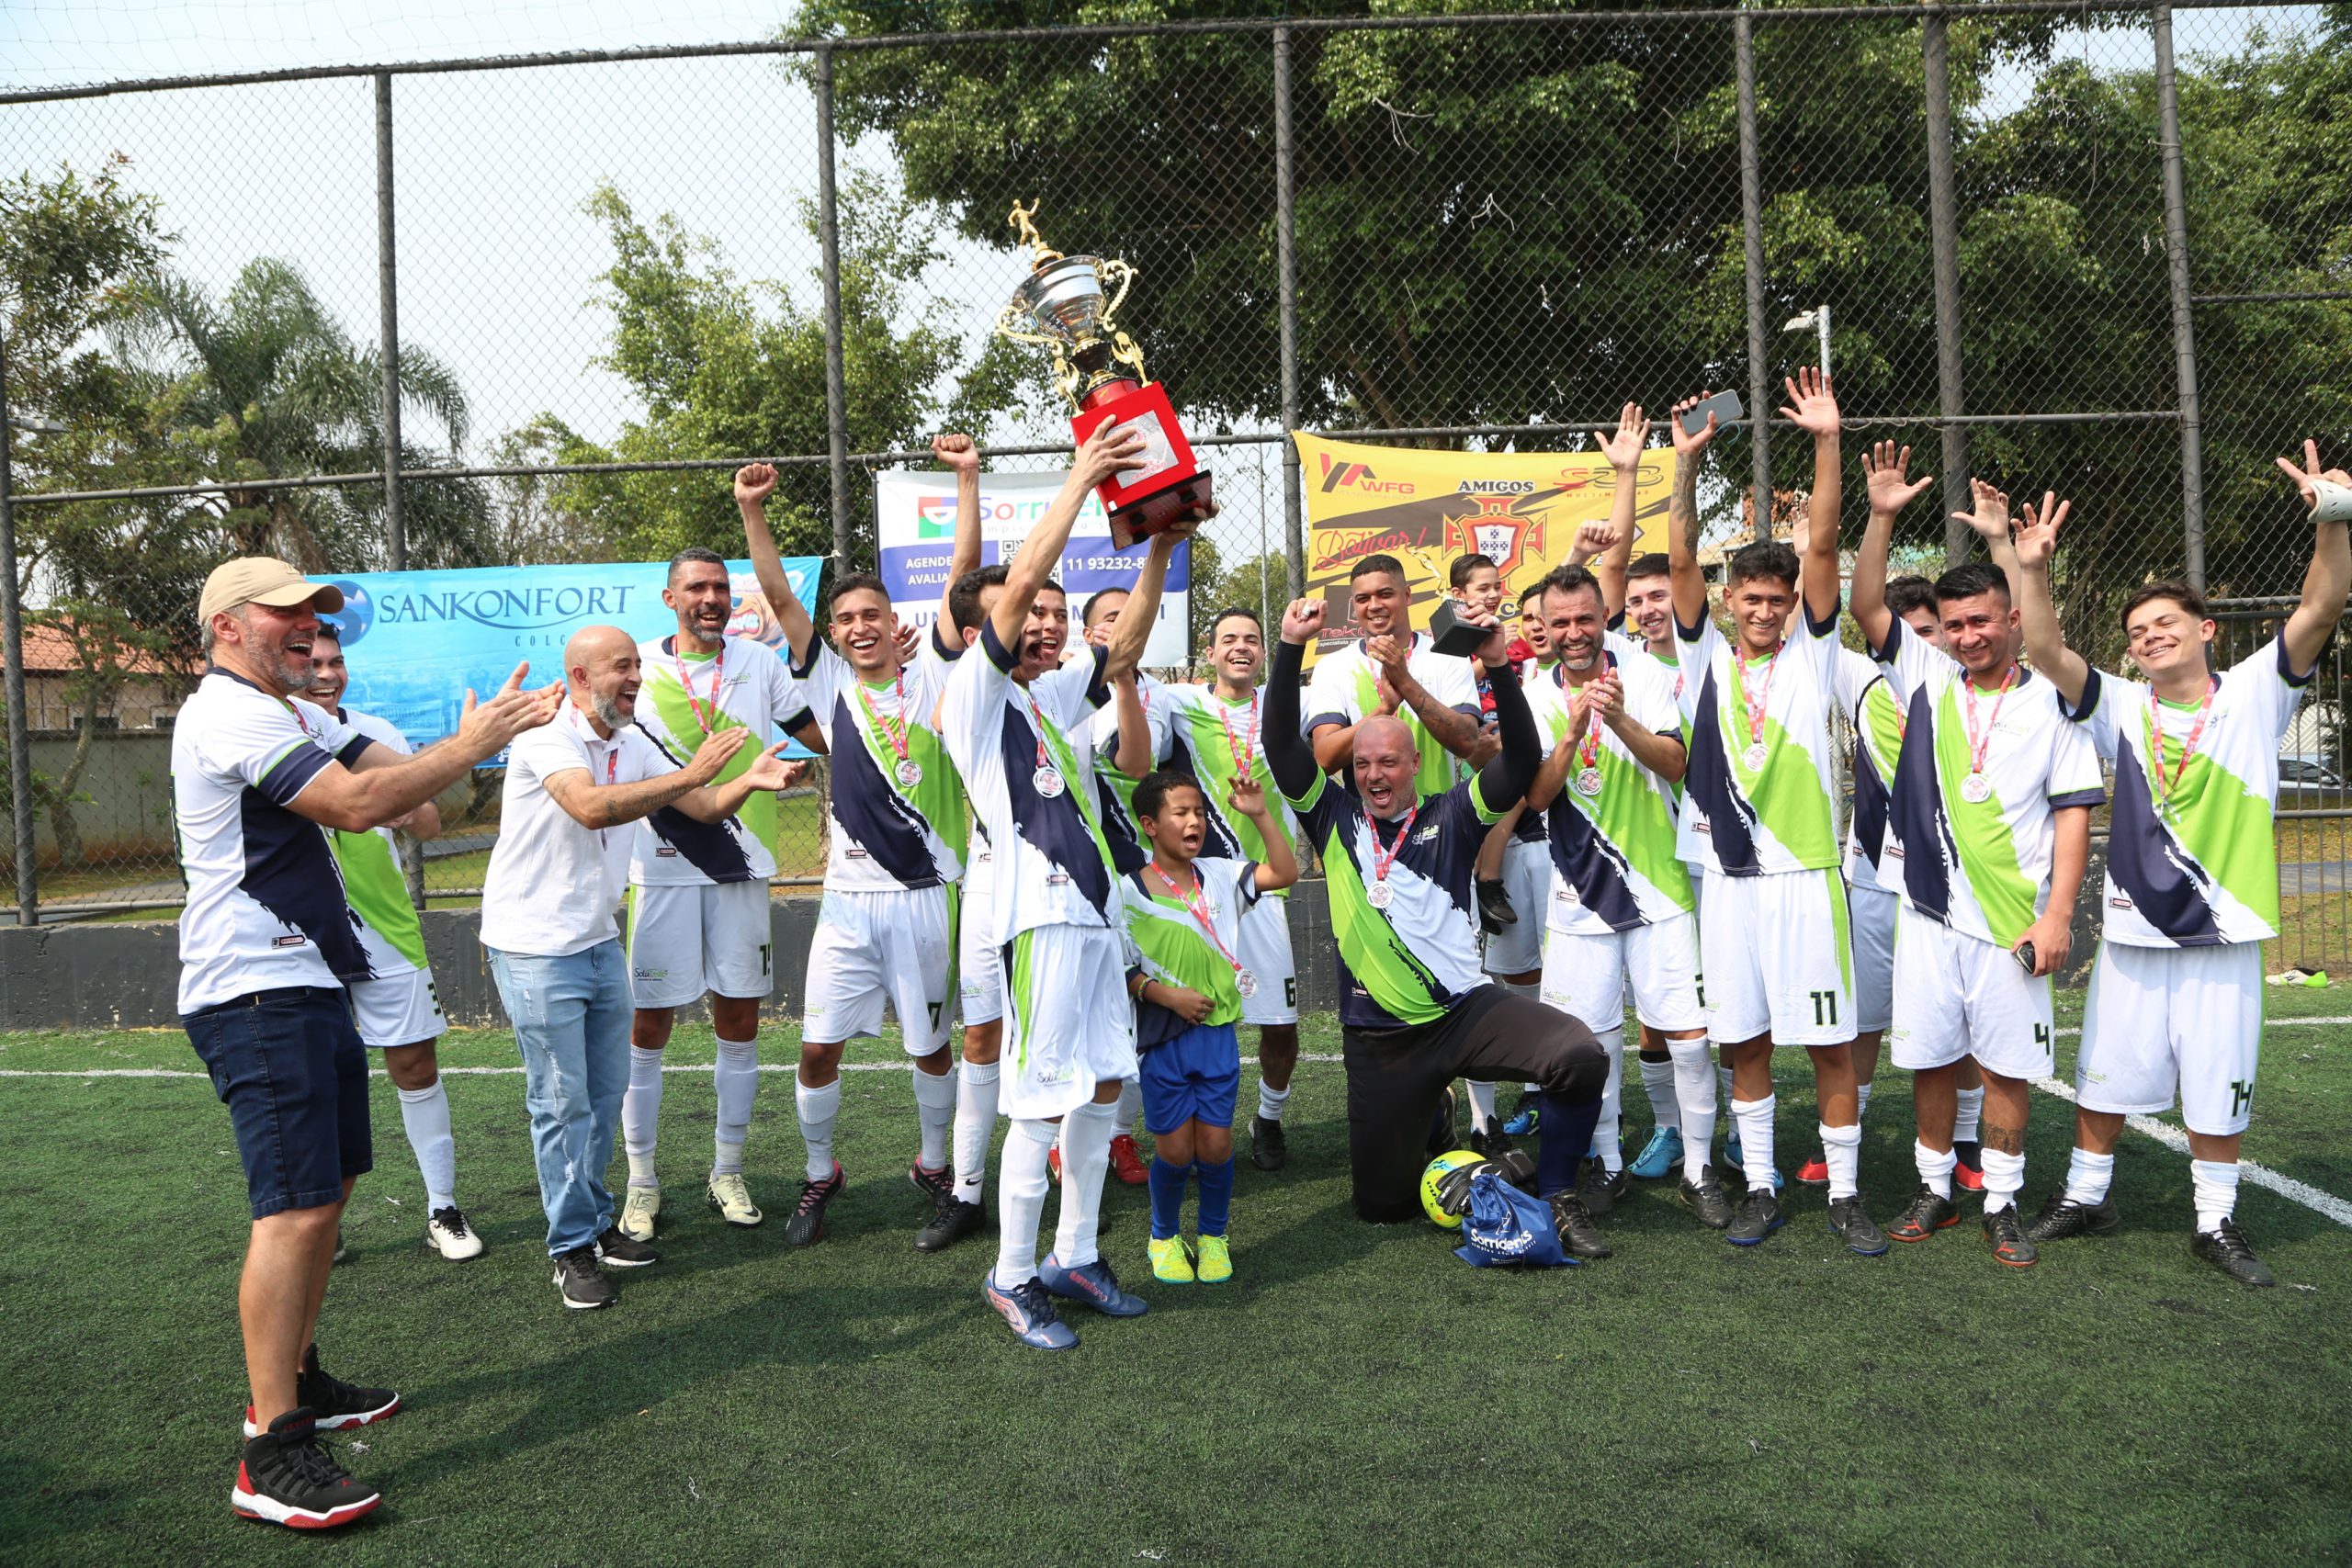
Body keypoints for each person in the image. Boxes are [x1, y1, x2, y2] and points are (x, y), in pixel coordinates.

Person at [177, 557, 556, 1528]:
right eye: (286, 616)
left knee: (331, 1188)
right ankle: (269, 1450)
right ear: (226, 627)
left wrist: (485, 739)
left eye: (317, 616)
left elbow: (401, 786)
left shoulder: (298, 713)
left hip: (306, 982)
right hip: (252, 990)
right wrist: (473, 740)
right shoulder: (232, 713)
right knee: (295, 1211)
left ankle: (296, 1379)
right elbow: (355, 806)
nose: (308, 631)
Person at [2008, 443, 2351, 1285]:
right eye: (2136, 632)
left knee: (2217, 1083)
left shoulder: (2255, 691)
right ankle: (2088, 1194)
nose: (2150, 636)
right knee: (2104, 1078)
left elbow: (2322, 602)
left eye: (2166, 623)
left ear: (2207, 631)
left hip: (2222, 934)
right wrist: (2030, 572)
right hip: (2132, 933)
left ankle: (2215, 1220)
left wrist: (2334, 519)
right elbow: (2047, 648)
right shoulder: (2119, 705)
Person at [936, 422, 1198, 1349]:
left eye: (1056, 611)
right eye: (1028, 612)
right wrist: (1082, 479)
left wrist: (1161, 545)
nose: (1046, 624)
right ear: (984, 629)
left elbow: (1120, 649)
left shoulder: (1049, 698)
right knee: (1041, 1102)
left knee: (1096, 1092)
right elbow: (1008, 611)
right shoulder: (971, 693)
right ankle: (1010, 1276)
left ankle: (1074, 1254)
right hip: (1036, 919)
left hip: (1094, 918)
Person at [1263, 595, 1615, 1255]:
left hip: (1465, 1012)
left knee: (1579, 1055)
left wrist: (1498, 666)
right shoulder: (1332, 817)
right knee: (1382, 1208)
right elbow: (1282, 745)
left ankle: (1559, 1193)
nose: (1374, 775)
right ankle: (1440, 1116)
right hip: (1379, 1039)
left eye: (1388, 761)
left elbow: (1519, 761)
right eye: (1363, 763)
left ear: (1414, 764)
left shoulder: (1451, 812)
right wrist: (1289, 650)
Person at [483, 626, 804, 1311]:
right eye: (620, 667)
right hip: (535, 946)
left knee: (602, 1095)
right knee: (561, 1101)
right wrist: (690, 773)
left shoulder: (631, 741)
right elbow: (590, 804)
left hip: (595, 940)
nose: (635, 676)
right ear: (578, 675)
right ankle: (570, 1248)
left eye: (636, 665)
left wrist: (745, 778)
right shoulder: (548, 735)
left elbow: (702, 806)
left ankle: (598, 1226)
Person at [1852, 458, 2105, 1267]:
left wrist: (2058, 914)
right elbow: (1864, 605)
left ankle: (2000, 1198)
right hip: (1930, 914)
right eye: (1954, 625)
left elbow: (2074, 815)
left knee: (2007, 1067)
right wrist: (1882, 516)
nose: (1967, 636)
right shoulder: (1926, 676)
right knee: (1927, 1057)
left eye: (1982, 622)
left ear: (2011, 619)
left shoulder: (2054, 701)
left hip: (2012, 921)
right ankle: (1935, 1186)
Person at [736, 435, 976, 1249]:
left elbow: (962, 579)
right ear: (833, 635)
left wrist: (967, 479)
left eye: (870, 613)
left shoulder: (936, 671)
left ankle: (934, 1165)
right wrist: (752, 510)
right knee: (815, 1049)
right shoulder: (825, 680)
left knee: (932, 1050)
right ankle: (818, 1173)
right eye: (843, 618)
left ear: (892, 622)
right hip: (844, 904)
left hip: (927, 896)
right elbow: (776, 594)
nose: (857, 625)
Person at [1663, 372, 1870, 1250]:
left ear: (1792, 607)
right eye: (1748, 598)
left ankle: (1846, 1194)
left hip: (1805, 872)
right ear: (1729, 602)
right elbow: (1676, 560)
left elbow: (1821, 545)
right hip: (1727, 879)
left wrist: (1827, 441)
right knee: (1743, 1043)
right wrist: (1682, 467)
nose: (1762, 609)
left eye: (1776, 600)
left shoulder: (1815, 656)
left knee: (1825, 1043)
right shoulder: (1702, 654)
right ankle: (1759, 1184)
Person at [616, 545, 823, 1240]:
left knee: (738, 1022)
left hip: (743, 864)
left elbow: (818, 733)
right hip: (662, 868)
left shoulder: (760, 663)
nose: (712, 599)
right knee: (650, 1027)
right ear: (670, 597)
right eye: (697, 588)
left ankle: (726, 1169)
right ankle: (641, 1182)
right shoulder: (638, 668)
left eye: (721, 589)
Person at [1521, 548, 1727, 1230]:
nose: (1575, 631)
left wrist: (1617, 720)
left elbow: (1678, 762)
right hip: (1577, 895)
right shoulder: (1533, 692)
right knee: (1589, 1044)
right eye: (1561, 623)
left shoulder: (1646, 673)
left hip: (1657, 888)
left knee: (1691, 1038)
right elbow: (1537, 795)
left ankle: (1699, 1170)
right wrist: (1574, 729)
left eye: (1586, 618)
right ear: (1544, 629)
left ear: (1603, 618)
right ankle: (1606, 1160)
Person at [305, 626, 478, 1261]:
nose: (327, 672)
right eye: (313, 661)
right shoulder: (268, 733)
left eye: (336, 661)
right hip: (302, 932)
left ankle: (442, 1208)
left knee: (415, 1067)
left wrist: (393, 801)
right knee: (314, 1077)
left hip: (384, 926)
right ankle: (322, 1221)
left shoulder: (376, 736)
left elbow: (428, 820)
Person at [1120, 768, 1299, 1284]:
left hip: (1217, 1038)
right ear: (1150, 825)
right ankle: (1163, 1236)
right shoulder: (1127, 891)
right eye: (1181, 813)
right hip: (1162, 1041)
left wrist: (1260, 814)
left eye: (1198, 812)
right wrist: (1165, 996)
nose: (1194, 821)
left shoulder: (1221, 874)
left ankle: (1214, 1237)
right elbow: (1120, 967)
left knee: (1217, 1148)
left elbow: (1284, 873)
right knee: (1175, 1151)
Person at [1159, 609, 1304, 1171]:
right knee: (1190, 1020)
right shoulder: (1183, 702)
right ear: (1209, 651)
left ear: (1265, 652)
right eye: (1228, 640)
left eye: (1251, 639)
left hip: (1266, 886)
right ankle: (1180, 1129)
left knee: (1281, 1025)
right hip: (1202, 889)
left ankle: (1268, 1119)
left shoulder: (1289, 703)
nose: (1240, 647)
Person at [1445, 551, 1550, 1152]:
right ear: (1457, 596)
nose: (1491, 598)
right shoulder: (1444, 656)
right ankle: (1477, 1116)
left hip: (1527, 838)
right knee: (1468, 976)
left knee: (1524, 968)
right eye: (1479, 590)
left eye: (1497, 589)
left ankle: (1539, 1091)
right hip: (1451, 835)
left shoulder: (1523, 666)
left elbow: (1519, 755)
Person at [1071, 583, 1172, 1184]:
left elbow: (1138, 763)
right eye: (1111, 618)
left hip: (1130, 875)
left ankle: (1118, 1137)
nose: (1122, 625)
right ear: (1088, 634)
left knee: (1130, 1014)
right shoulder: (1059, 685)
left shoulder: (1151, 693)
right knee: (1070, 1012)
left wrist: (1127, 683)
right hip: (1067, 874)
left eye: (1131, 618)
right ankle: (1064, 1139)